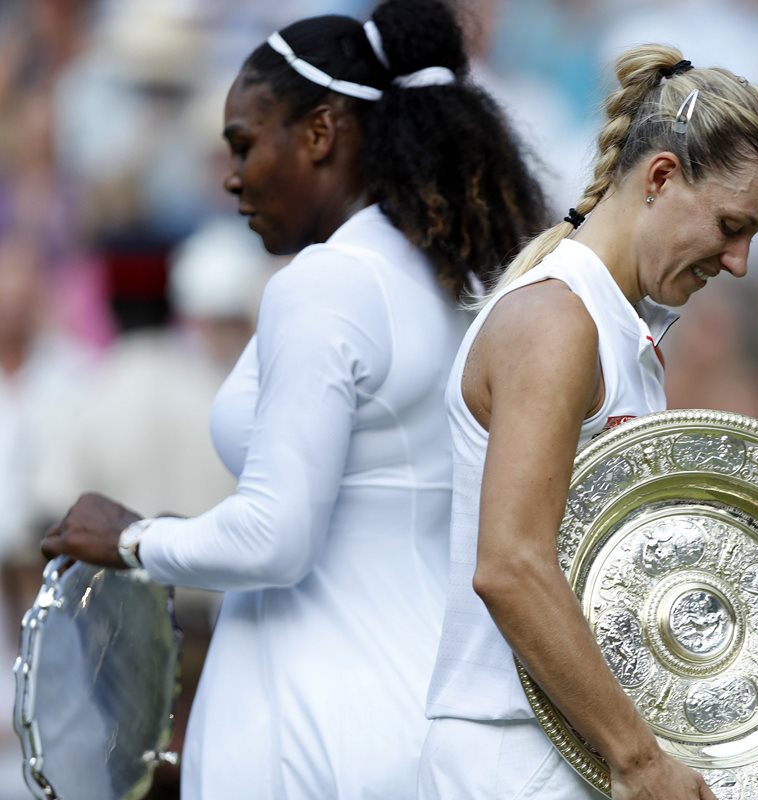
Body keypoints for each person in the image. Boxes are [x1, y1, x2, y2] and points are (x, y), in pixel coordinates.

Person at [40, 0, 546, 796]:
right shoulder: (447, 271)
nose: (231, 175)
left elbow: (276, 539)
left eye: (243, 143)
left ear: (320, 132)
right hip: (423, 714)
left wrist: (133, 539)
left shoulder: (331, 284)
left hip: (315, 722)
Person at [419, 44, 758, 799]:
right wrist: (639, 758)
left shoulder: (616, 326)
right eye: (730, 224)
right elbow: (511, 566)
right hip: (511, 759)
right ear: (660, 177)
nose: (740, 260)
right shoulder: (558, 321)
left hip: (564, 752)